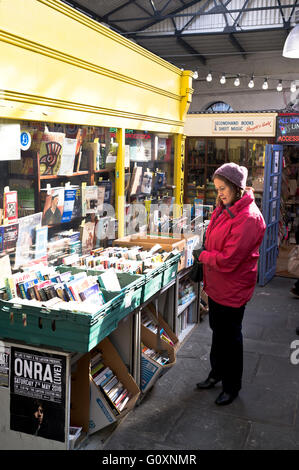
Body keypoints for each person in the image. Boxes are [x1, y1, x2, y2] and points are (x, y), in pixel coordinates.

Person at [196, 162, 266, 406]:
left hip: (233, 286)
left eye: (223, 188)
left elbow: (228, 260)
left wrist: (201, 256)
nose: (220, 193)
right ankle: (216, 374)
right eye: (217, 188)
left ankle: (231, 386)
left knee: (231, 338)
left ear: (237, 187)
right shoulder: (225, 207)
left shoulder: (248, 217)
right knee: (218, 332)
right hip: (217, 284)